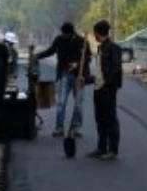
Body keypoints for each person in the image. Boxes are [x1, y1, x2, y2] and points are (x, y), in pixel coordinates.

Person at [35, 22, 90, 138]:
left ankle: (76, 127)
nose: (63, 36)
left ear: (71, 33)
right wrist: (37, 56)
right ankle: (59, 128)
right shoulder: (59, 40)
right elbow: (51, 51)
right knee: (61, 103)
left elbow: (87, 58)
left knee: (78, 103)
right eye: (63, 34)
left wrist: (78, 63)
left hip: (78, 76)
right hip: (64, 74)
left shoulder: (82, 41)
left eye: (66, 34)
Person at [87, 19, 123, 160]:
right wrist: (87, 80)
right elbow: (99, 72)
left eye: (94, 33)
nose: (94, 35)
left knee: (110, 120)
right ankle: (101, 148)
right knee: (100, 120)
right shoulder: (101, 48)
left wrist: (107, 85)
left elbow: (115, 71)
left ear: (97, 33)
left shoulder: (114, 49)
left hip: (107, 90)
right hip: (98, 89)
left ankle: (113, 150)